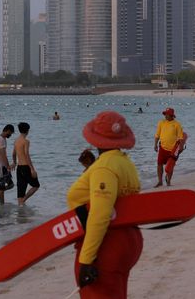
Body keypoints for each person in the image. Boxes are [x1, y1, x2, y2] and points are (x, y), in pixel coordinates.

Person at [67, 111, 141, 298]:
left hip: (106, 243)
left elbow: (101, 214)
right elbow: (116, 194)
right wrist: (91, 168)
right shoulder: (122, 161)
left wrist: (86, 260)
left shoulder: (104, 167)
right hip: (128, 236)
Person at [153, 108, 185, 187]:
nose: (165, 116)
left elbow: (181, 137)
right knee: (159, 164)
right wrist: (155, 144)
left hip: (173, 149)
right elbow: (157, 135)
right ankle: (160, 181)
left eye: (167, 114)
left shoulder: (177, 124)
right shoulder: (161, 123)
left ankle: (168, 182)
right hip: (162, 147)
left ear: (171, 115)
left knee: (170, 166)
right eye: (165, 114)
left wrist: (180, 147)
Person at [13, 122, 40, 206]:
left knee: (21, 190)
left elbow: (13, 154)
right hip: (26, 167)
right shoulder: (26, 141)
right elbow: (26, 154)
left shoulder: (16, 141)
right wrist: (32, 169)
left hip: (19, 168)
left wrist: (14, 162)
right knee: (36, 186)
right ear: (27, 131)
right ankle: (23, 200)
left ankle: (21, 210)